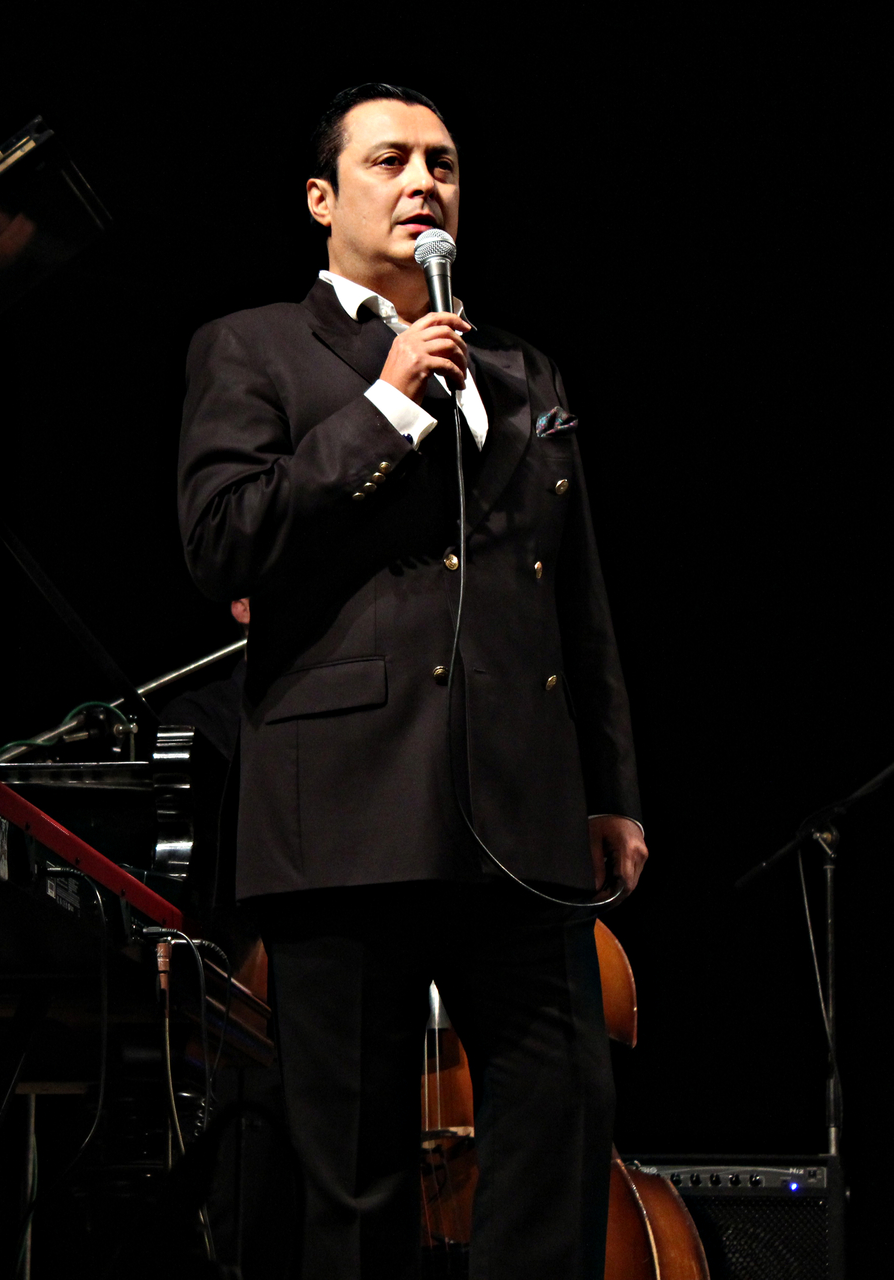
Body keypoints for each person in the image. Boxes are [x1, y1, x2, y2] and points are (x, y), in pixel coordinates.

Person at [175, 84, 649, 1278]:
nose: (424, 181)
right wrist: (385, 404)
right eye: (390, 160)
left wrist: (610, 789)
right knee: (357, 1169)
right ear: (321, 197)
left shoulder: (522, 368)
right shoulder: (253, 347)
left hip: (523, 813)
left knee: (562, 1116)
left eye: (442, 162)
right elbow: (222, 539)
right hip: (344, 809)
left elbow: (574, 592)